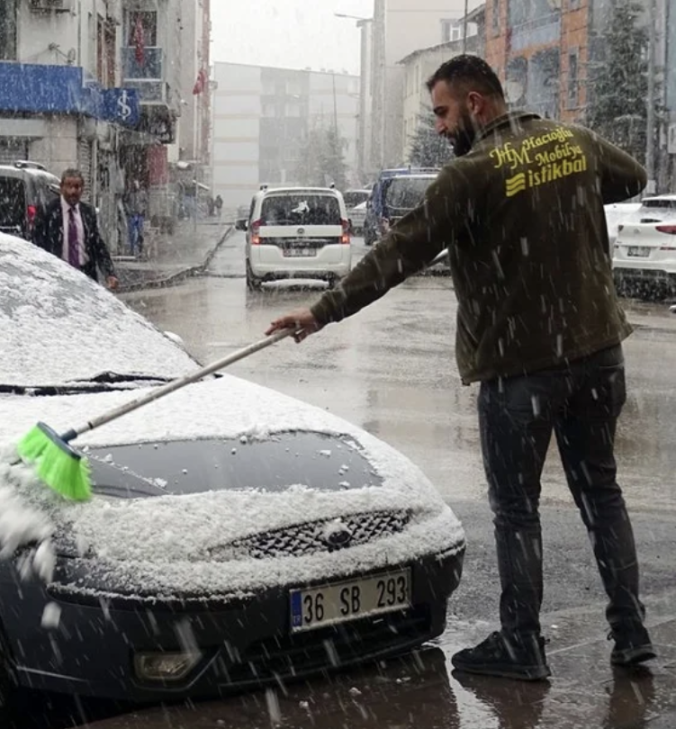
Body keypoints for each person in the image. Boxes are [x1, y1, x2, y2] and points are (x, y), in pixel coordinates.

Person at [267, 55, 654, 680]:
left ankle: (522, 644)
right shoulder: (573, 140)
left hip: (519, 367)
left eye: (444, 113)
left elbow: (400, 252)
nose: (441, 128)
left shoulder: (470, 176)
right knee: (602, 495)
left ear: (477, 104)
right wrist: (564, 186)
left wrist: (321, 313)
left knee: (517, 510)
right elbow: (632, 178)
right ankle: (632, 633)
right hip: (597, 355)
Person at [33, 169, 119, 290]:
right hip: (58, 277)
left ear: (82, 189)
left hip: (86, 276)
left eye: (77, 187)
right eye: (69, 186)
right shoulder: (48, 211)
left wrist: (109, 273)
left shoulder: (88, 213)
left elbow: (97, 245)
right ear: (61, 187)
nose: (73, 191)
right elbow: (37, 245)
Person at [125, 181, 147, 257]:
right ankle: (132, 250)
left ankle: (140, 250)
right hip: (132, 215)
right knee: (132, 234)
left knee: (140, 233)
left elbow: (146, 202)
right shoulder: (130, 193)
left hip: (139, 215)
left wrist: (143, 209)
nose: (135, 187)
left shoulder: (142, 193)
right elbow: (125, 202)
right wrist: (128, 210)